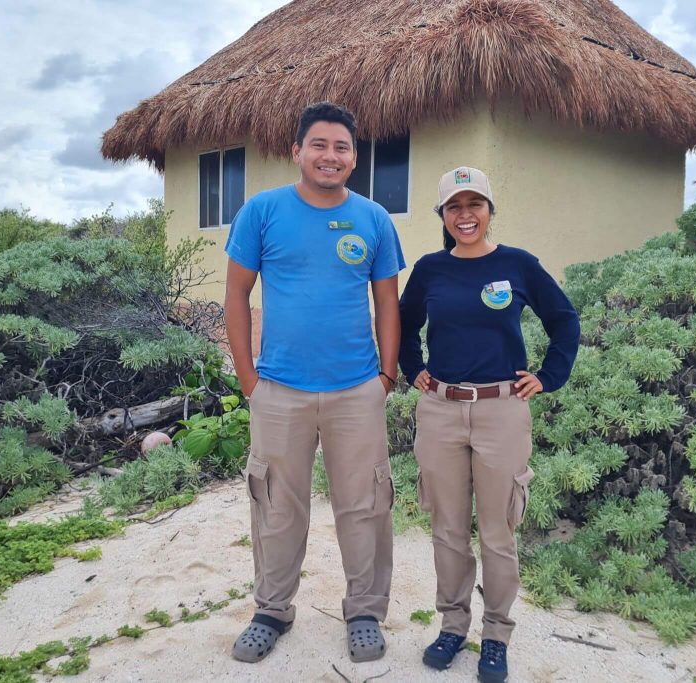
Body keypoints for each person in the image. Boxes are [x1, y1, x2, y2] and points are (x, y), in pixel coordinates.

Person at [224, 102, 405, 664]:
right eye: (320, 145)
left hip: (357, 390)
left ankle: (366, 612)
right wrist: (249, 379)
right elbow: (235, 296)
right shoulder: (262, 212)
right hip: (279, 390)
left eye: (342, 147)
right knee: (277, 504)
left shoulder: (374, 219)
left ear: (354, 157)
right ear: (296, 151)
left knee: (366, 505)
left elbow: (387, 303)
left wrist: (385, 376)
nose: (331, 156)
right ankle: (272, 609)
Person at [398, 167, 579, 683]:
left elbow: (564, 319)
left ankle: (496, 635)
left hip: (502, 409)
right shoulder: (431, 269)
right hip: (441, 410)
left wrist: (548, 377)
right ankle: (453, 626)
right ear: (444, 216)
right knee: (448, 530)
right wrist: (415, 372)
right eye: (455, 206)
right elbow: (404, 326)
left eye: (475, 204)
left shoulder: (518, 265)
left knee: (498, 532)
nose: (466, 215)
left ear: (490, 211)